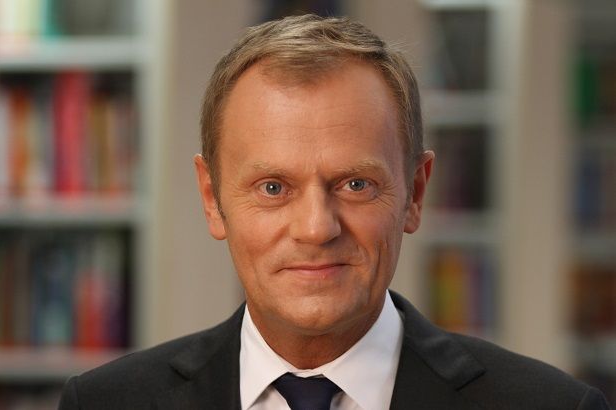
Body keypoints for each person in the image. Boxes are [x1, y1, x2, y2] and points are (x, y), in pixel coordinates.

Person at [58, 14, 611, 410]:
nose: (316, 228)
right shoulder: (106, 403)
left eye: (355, 184)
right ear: (212, 198)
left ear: (415, 192)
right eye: (273, 187)